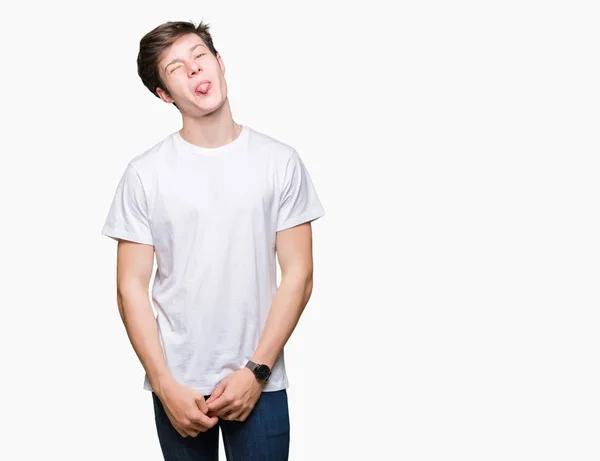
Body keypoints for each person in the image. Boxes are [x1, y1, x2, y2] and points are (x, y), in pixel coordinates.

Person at [100, 19, 325, 461]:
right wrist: (164, 385)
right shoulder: (144, 174)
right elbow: (130, 288)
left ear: (220, 64)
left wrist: (256, 371)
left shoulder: (279, 162)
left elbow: (299, 274)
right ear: (164, 94)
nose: (194, 71)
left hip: (259, 383)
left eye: (200, 56)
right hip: (178, 388)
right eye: (176, 68)